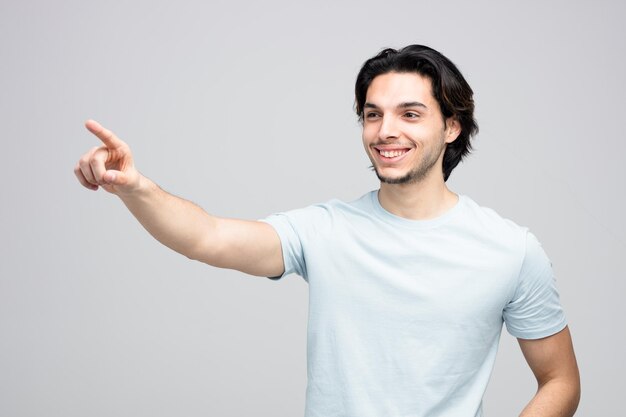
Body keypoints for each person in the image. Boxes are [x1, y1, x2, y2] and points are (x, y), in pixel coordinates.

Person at [74, 45, 580, 417]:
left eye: (410, 114)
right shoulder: (324, 230)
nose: (386, 131)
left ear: (451, 127)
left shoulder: (510, 250)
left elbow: (560, 381)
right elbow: (206, 237)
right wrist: (134, 186)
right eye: (372, 115)